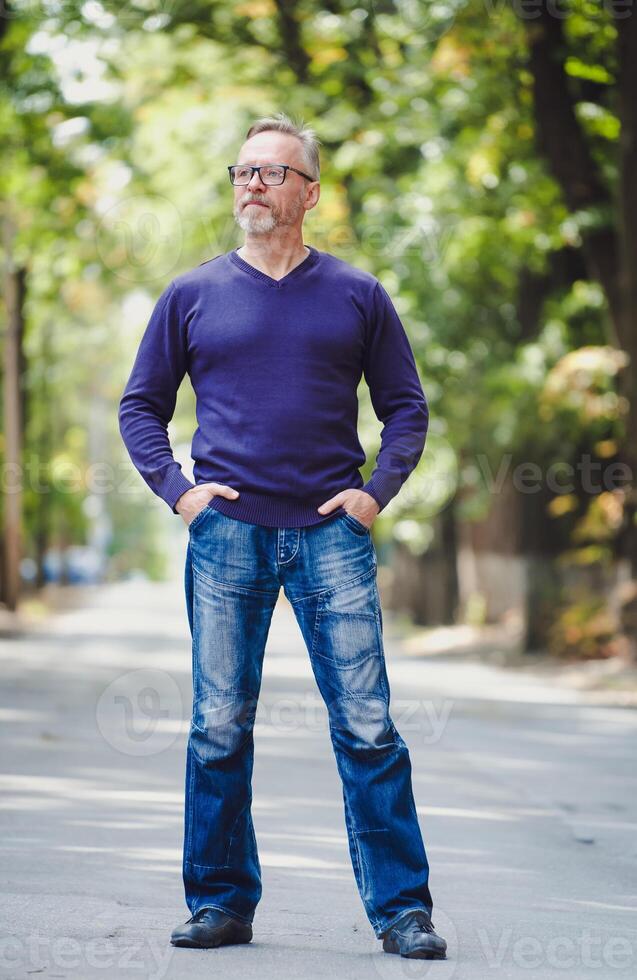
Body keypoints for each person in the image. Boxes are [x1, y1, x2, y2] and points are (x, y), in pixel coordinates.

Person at [118, 112, 447, 961]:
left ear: (308, 191)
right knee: (218, 724)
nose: (251, 185)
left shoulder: (356, 293)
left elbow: (404, 407)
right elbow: (140, 407)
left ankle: (402, 912)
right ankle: (221, 903)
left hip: (331, 536)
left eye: (270, 173)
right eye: (242, 172)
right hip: (226, 535)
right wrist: (183, 497)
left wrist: (375, 493)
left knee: (368, 725)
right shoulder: (192, 295)